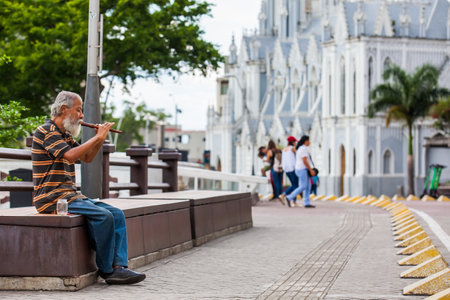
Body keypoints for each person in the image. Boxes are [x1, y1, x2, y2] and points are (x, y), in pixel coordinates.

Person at [32, 91, 146, 285]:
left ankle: (120, 267)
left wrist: (100, 139)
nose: (82, 116)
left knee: (116, 214)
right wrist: (97, 138)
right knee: (104, 216)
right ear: (63, 109)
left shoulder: (64, 135)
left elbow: (87, 157)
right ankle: (107, 270)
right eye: (79, 110)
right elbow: (70, 156)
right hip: (52, 198)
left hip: (70, 196)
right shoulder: (45, 131)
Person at [286, 135, 316, 208]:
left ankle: (307, 203)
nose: (310, 142)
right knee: (303, 186)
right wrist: (310, 169)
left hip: (303, 169)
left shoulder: (302, 148)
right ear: (306, 141)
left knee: (308, 186)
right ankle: (289, 197)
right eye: (309, 140)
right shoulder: (303, 149)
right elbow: (304, 160)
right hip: (302, 169)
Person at [279, 136, 298, 207]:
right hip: (293, 169)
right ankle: (285, 195)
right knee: (296, 185)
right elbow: (298, 156)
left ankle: (292, 200)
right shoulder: (292, 148)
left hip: (286, 170)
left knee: (294, 185)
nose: (295, 143)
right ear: (292, 142)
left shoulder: (284, 149)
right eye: (295, 142)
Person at [266, 140, 284, 204]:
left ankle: (276, 196)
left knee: (276, 182)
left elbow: (267, 160)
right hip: (281, 168)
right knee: (280, 182)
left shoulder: (270, 151)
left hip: (274, 168)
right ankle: (281, 195)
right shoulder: (279, 150)